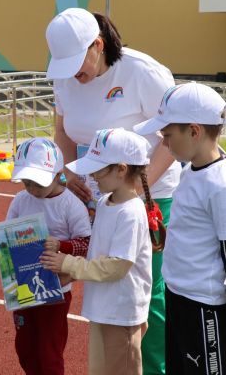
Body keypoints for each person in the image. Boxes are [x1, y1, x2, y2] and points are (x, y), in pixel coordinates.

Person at [46, 7, 179, 374]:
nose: (75, 73)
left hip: (151, 193)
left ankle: (153, 367)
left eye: (79, 63)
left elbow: (173, 135)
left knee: (143, 291)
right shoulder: (64, 77)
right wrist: (68, 177)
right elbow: (63, 132)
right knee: (105, 286)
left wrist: (137, 188)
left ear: (98, 45)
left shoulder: (141, 72)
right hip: (98, 192)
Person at [133, 82, 226, 375]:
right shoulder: (190, 171)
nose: (164, 144)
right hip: (180, 298)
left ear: (194, 131)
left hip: (205, 309)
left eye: (167, 135)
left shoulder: (222, 186)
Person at [41, 128, 153, 375]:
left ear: (122, 169)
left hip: (122, 312)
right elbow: (97, 251)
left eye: (99, 169)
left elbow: (116, 266)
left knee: (121, 369)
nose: (92, 175)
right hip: (103, 307)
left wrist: (68, 264)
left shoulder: (131, 212)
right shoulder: (105, 202)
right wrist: (70, 273)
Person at [0, 137, 91, 375]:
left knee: (49, 351)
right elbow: (8, 236)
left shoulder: (70, 205)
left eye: (37, 183)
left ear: (57, 175)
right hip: (24, 288)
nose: (31, 189)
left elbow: (86, 243)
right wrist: (0, 255)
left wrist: (61, 245)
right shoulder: (22, 200)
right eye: (26, 182)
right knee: (25, 347)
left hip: (56, 292)